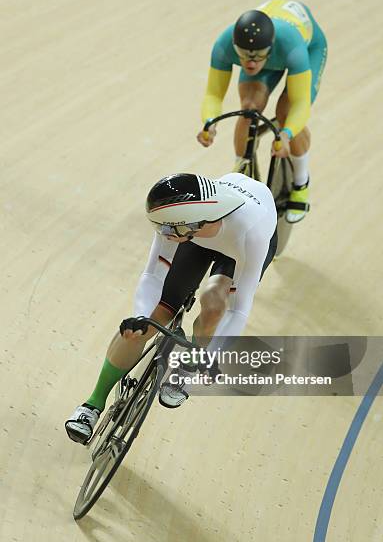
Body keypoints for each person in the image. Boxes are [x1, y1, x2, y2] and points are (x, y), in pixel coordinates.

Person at [65, 172, 277, 443]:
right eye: (160, 228)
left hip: (239, 244)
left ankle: (191, 363)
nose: (162, 234)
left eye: (167, 230)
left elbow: (239, 310)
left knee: (214, 304)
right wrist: (139, 316)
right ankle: (92, 404)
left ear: (190, 222)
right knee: (150, 319)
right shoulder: (175, 218)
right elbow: (153, 274)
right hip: (198, 237)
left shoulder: (250, 233)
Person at [197, 0, 328, 223]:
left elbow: (301, 104)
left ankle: (301, 182)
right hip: (271, 51)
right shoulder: (224, 44)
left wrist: (286, 134)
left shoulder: (291, 45)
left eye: (256, 57)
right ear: (235, 46)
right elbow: (213, 95)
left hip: (307, 48)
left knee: (287, 112)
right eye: (244, 56)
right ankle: (241, 171)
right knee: (249, 109)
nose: (250, 64)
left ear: (269, 47)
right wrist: (210, 123)